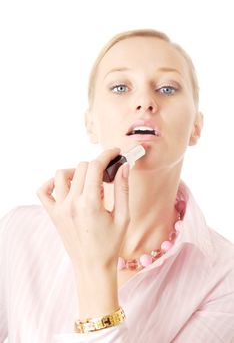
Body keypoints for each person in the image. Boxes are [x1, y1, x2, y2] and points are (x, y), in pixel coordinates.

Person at [0, 29, 234, 343]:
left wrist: (94, 267)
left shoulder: (225, 277)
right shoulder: (17, 234)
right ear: (90, 124)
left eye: (167, 88)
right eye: (121, 87)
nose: (145, 102)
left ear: (196, 128)